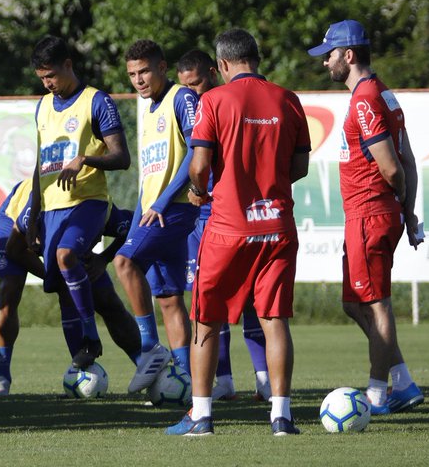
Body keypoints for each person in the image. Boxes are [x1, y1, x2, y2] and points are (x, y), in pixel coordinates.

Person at [167, 29, 310, 437]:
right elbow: (298, 168)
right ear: (256, 58)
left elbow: (198, 166)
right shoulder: (289, 100)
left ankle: (201, 416)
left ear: (223, 65)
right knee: (274, 318)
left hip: (229, 226)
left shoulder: (213, 100)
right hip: (277, 225)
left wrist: (199, 192)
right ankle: (281, 416)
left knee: (206, 320)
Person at [308, 20, 424, 414]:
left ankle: (377, 394)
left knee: (376, 305)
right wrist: (407, 213)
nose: (326, 64)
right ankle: (403, 381)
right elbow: (408, 159)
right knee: (354, 303)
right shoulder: (383, 94)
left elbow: (393, 167)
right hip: (371, 213)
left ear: (349, 55)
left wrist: (398, 205)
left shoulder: (365, 98)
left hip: (370, 213)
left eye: (330, 55)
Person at [26, 35, 131, 370]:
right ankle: (98, 365)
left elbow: (121, 157)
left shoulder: (96, 102)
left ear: (68, 65)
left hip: (89, 201)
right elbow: (39, 165)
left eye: (51, 76)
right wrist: (33, 216)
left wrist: (84, 159)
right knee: (65, 291)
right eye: (42, 78)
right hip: (52, 209)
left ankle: (91, 339)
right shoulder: (42, 106)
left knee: (65, 254)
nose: (47, 84)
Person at [0, 179, 140, 395]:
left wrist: (103, 258)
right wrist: (58, 278)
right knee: (9, 293)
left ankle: (144, 365)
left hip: (67, 243)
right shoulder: (38, 208)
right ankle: (1, 377)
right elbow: (15, 250)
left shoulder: (102, 210)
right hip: (14, 224)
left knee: (107, 300)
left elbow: (136, 226)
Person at [177, 49, 268, 401]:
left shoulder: (225, 103)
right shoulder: (193, 111)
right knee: (209, 301)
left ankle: (263, 379)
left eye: (198, 83)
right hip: (202, 221)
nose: (193, 93)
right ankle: (225, 380)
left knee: (252, 301)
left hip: (236, 215)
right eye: (186, 87)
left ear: (215, 72)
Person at [114, 40, 199, 393]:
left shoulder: (182, 98)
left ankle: (149, 348)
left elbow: (196, 149)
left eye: (145, 71)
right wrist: (147, 204)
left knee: (123, 263)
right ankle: (183, 378)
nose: (139, 79)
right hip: (150, 208)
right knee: (168, 297)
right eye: (132, 74)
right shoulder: (146, 106)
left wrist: (163, 201)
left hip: (173, 208)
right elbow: (153, 168)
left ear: (162, 67)